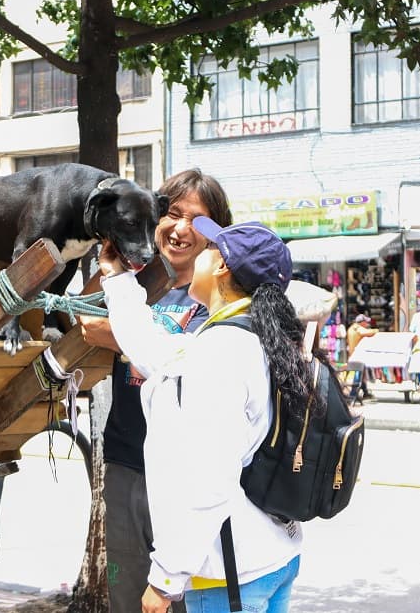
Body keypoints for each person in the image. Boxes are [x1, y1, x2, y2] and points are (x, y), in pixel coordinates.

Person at [99, 217, 309, 613]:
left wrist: (165, 580)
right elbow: (157, 352)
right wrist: (117, 279)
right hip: (271, 552)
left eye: (210, 247)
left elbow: (205, 479)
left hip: (230, 574)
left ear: (222, 267)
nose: (199, 250)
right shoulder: (244, 337)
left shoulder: (220, 353)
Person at [78, 169, 231, 613]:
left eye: (197, 220)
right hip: (125, 461)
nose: (181, 229)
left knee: (181, 600)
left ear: (215, 234)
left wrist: (119, 334)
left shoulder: (217, 295)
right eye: (173, 214)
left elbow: (190, 364)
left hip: (186, 474)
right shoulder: (135, 280)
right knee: (127, 598)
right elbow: (80, 323)